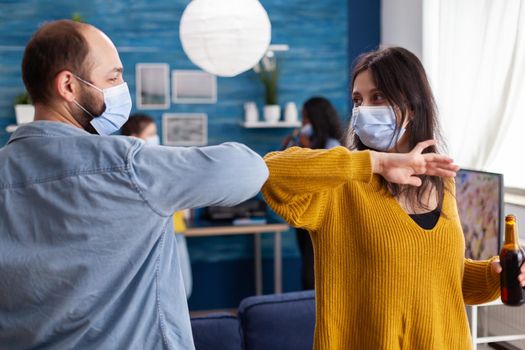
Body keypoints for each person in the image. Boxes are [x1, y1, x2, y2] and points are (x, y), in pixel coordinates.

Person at [0, 20, 268, 349]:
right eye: (113, 77)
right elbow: (248, 170)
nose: (121, 87)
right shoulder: (128, 166)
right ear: (68, 86)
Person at [261, 47, 525, 349]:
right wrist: (374, 163)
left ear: (412, 106)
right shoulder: (341, 185)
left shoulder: (442, 185)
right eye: (358, 100)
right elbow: (270, 172)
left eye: (378, 97)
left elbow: (445, 278)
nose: (363, 110)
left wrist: (494, 275)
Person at [122, 114, 193, 299]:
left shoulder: (159, 159)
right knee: (168, 292)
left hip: (176, 231)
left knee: (184, 288)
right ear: (134, 137)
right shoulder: (130, 167)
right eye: (151, 133)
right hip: (153, 235)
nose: (155, 138)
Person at [282, 97, 343, 290]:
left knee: (313, 272)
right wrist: (289, 149)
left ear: (317, 119)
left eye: (306, 118)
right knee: (308, 267)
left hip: (323, 219)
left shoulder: (333, 146)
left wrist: (307, 152)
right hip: (305, 217)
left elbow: (326, 181)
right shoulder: (309, 143)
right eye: (302, 118)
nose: (303, 124)